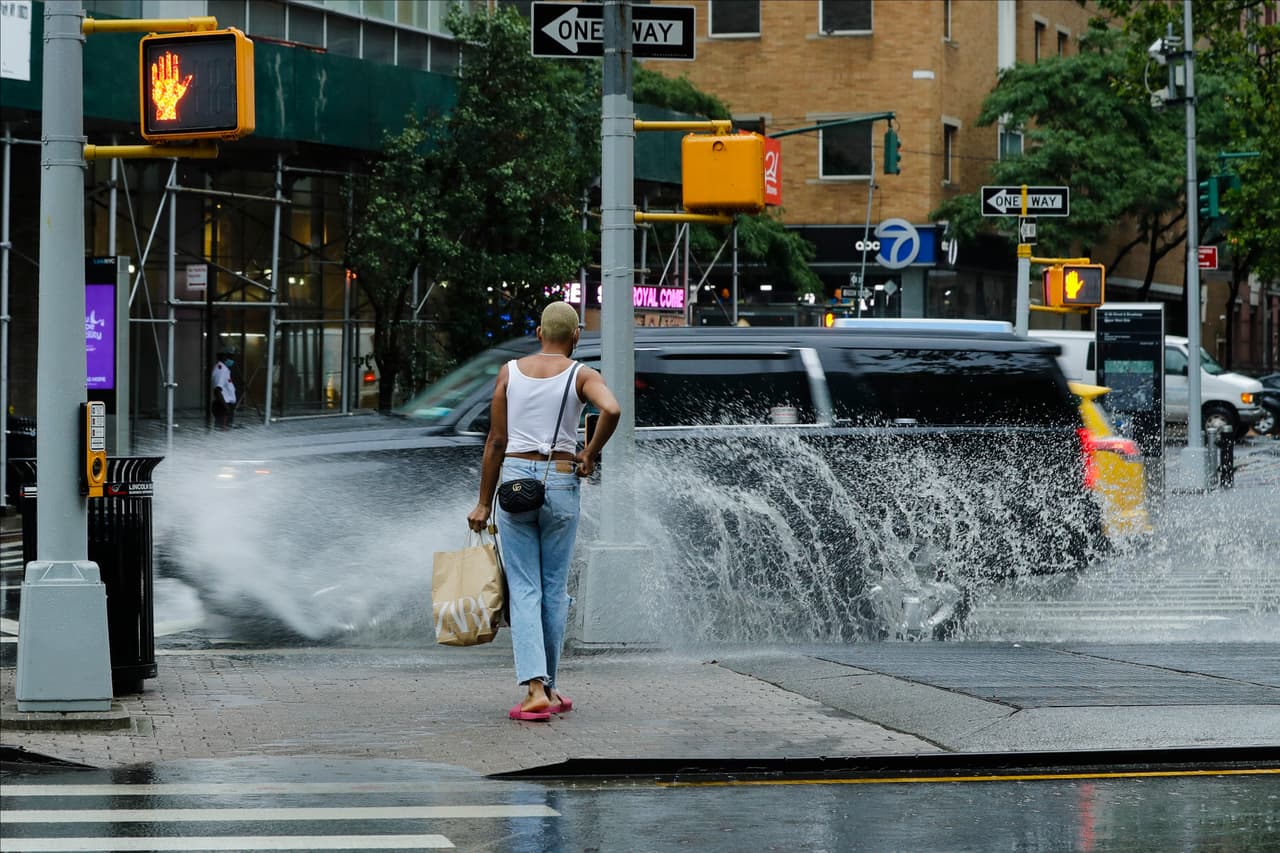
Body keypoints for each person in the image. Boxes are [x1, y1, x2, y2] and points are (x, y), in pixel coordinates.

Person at [467, 302, 620, 722]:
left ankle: (535, 689)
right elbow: (612, 409)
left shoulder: (509, 373)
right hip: (561, 480)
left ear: (538, 333)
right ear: (575, 337)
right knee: (554, 589)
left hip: (516, 481)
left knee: (525, 587)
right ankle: (548, 687)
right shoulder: (581, 374)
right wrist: (589, 453)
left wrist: (483, 501)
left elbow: (496, 441)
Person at [211, 349, 238, 431]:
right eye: (230, 357)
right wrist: (226, 408)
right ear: (223, 357)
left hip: (224, 407)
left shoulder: (224, 369)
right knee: (222, 434)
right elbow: (217, 390)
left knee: (225, 434)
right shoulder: (221, 370)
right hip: (223, 407)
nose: (231, 360)